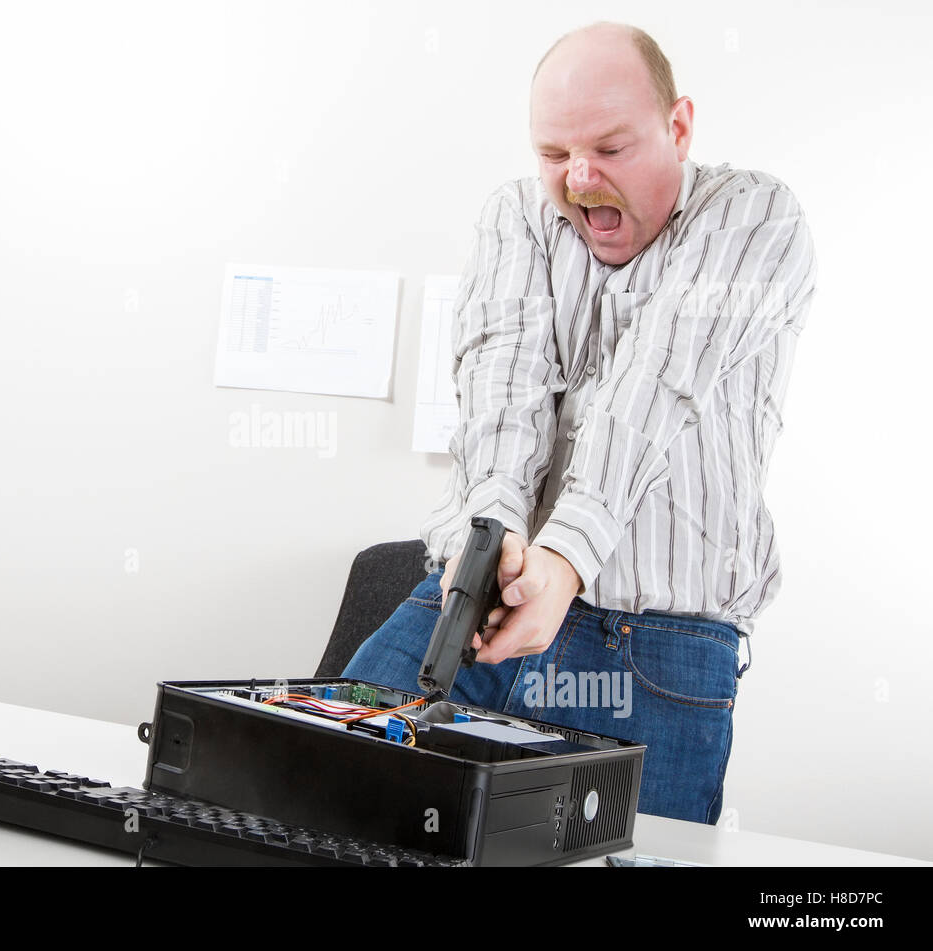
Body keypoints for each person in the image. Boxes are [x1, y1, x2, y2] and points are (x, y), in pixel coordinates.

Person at [342, 21, 817, 825]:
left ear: (678, 127)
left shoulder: (754, 217)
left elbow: (656, 386)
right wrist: (492, 530)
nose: (579, 177)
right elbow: (503, 383)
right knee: (330, 795)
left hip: (654, 642)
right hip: (479, 600)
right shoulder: (518, 217)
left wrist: (563, 559)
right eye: (554, 154)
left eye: (610, 146)